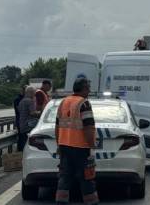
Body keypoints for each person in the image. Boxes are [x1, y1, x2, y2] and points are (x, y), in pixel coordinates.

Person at [55, 77, 98, 205]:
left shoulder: (63, 102)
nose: (89, 91)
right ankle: (91, 202)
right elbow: (89, 127)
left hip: (64, 146)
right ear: (84, 89)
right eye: (88, 88)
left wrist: (59, 144)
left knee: (65, 177)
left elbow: (57, 126)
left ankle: (61, 201)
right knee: (86, 177)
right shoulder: (84, 103)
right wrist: (92, 146)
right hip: (81, 147)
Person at [17, 86, 39, 151]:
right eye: (34, 93)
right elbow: (32, 113)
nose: (34, 95)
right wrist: (40, 113)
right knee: (29, 145)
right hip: (29, 126)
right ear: (31, 93)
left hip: (22, 125)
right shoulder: (30, 101)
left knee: (24, 143)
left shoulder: (21, 101)